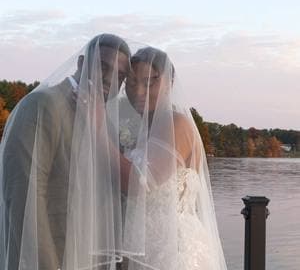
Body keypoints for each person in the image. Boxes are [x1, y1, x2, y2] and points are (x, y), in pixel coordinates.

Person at [0, 34, 131, 270]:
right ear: (82, 63)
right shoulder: (43, 104)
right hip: (53, 258)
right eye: (103, 67)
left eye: (120, 77)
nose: (110, 80)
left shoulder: (106, 125)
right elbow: (24, 196)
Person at [118, 47, 227, 270]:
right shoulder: (142, 130)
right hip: (142, 250)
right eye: (131, 83)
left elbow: (142, 182)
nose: (139, 91)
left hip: (173, 253)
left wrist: (97, 130)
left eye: (149, 82)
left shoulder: (177, 124)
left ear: (170, 84)